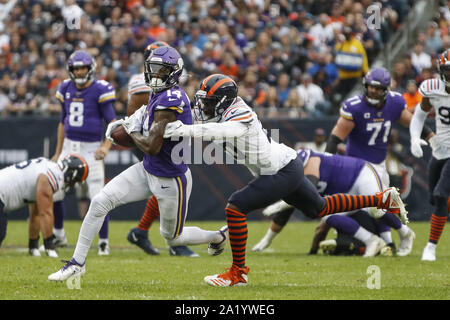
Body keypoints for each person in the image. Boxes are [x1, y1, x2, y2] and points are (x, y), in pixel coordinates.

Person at [162, 74, 406, 287]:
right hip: (285, 166)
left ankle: (238, 273)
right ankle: (382, 199)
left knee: (235, 207)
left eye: (208, 102)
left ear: (223, 102)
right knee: (320, 208)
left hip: (281, 170)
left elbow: (222, 131)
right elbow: (186, 116)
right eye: (202, 101)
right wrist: (133, 124)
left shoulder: (240, 113)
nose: (203, 106)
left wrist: (184, 130)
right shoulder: (215, 112)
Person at [48, 46, 228, 282]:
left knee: (173, 237)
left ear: (173, 73)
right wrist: (128, 124)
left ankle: (217, 237)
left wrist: (130, 132)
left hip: (171, 178)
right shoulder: (158, 94)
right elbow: (144, 129)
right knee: (100, 201)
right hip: (148, 168)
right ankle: (76, 264)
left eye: (161, 71)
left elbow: (152, 145)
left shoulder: (172, 99)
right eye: (152, 70)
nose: (155, 76)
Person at [324, 67, 435, 247]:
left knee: (376, 208)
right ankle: (380, 242)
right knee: (338, 211)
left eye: (377, 88)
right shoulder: (355, 106)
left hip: (378, 166)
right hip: (355, 167)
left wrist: (431, 138)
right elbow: (335, 138)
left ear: (386, 90)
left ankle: (390, 241)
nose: (373, 91)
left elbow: (413, 122)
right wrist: (327, 162)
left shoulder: (395, 103)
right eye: (370, 87)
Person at [252, 148, 414, 257]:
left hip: (361, 174)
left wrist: (280, 203)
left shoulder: (310, 160)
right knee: (328, 215)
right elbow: (284, 214)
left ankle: (406, 233)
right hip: (347, 191)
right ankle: (372, 240)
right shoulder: (295, 168)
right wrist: (266, 240)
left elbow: (309, 194)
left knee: (376, 209)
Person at [125, 41, 198, 257]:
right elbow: (135, 112)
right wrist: (138, 132)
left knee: (164, 191)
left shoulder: (163, 83)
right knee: (167, 185)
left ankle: (142, 231)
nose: (160, 71)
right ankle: (174, 242)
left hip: (157, 133)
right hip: (149, 136)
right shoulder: (143, 82)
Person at [51, 50, 117, 255]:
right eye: (76, 68)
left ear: (91, 69)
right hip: (69, 146)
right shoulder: (65, 88)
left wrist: (106, 147)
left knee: (98, 197)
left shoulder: (100, 89)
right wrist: (57, 152)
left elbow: (113, 122)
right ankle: (59, 234)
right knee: (55, 190)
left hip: (91, 149)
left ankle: (103, 242)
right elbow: (62, 122)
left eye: (83, 68)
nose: (79, 72)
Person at [0, 155, 88, 258]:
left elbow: (35, 212)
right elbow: (45, 213)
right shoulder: (54, 175)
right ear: (72, 173)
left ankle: (33, 247)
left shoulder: (46, 165)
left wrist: (33, 245)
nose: (72, 185)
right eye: (74, 181)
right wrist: (49, 246)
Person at [410, 49, 450, 261]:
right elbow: (418, 116)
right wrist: (415, 137)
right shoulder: (432, 88)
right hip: (440, 151)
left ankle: (431, 247)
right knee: (436, 199)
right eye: (448, 71)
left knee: (441, 195)